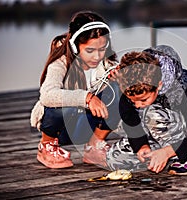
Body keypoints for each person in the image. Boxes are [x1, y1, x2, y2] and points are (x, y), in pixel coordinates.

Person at [105, 45, 187, 175]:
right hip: (161, 125)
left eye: (143, 100)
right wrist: (141, 145)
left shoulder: (184, 90)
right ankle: (159, 150)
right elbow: (130, 117)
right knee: (114, 160)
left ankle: (185, 156)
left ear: (159, 85)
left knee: (153, 114)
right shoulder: (131, 83)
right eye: (133, 100)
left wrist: (167, 152)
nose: (137, 105)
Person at [30, 11, 121, 169]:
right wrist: (87, 97)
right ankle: (47, 146)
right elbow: (47, 95)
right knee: (63, 100)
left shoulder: (106, 63)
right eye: (90, 51)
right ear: (75, 45)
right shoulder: (60, 63)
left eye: (102, 49)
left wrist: (119, 79)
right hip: (62, 129)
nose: (97, 56)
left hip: (86, 126)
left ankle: (94, 146)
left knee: (118, 90)